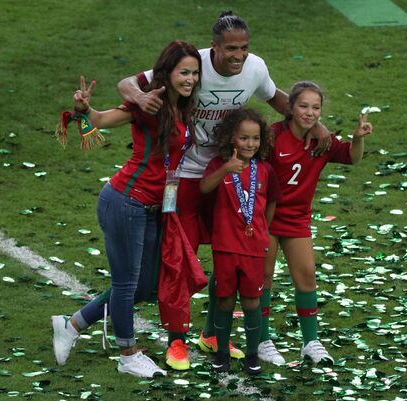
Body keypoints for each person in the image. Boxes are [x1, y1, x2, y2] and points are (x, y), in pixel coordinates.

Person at [117, 11, 332, 370]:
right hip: (182, 175)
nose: (238, 55)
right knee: (178, 258)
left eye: (244, 48)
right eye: (231, 48)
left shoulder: (255, 68)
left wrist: (318, 125)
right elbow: (128, 83)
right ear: (213, 47)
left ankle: (213, 333)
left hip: (228, 175)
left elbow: (276, 97)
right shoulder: (192, 64)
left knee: (228, 253)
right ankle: (176, 343)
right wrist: (139, 99)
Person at [51, 40, 202, 378]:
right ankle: (128, 354)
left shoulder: (184, 107)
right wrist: (82, 110)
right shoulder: (149, 105)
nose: (190, 78)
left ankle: (72, 324)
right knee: (126, 283)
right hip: (126, 201)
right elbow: (103, 119)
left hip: (152, 207)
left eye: (194, 73)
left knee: (145, 285)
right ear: (168, 72)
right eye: (183, 72)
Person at [260, 81, 373, 365]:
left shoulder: (323, 141)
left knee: (307, 277)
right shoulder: (273, 136)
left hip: (297, 220)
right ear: (290, 108)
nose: (309, 113)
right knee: (263, 280)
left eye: (315, 107)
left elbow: (352, 157)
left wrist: (358, 137)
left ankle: (310, 342)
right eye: (303, 106)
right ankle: (262, 340)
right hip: (267, 218)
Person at [199, 108, 280, 375]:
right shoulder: (218, 165)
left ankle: (253, 355)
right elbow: (204, 188)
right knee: (224, 300)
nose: (250, 144)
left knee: (251, 302)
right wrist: (226, 168)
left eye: (255, 139)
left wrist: (262, 230)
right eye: (244, 138)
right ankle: (222, 353)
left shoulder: (265, 170)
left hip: (254, 248)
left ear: (262, 140)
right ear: (231, 137)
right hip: (225, 247)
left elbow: (271, 202)